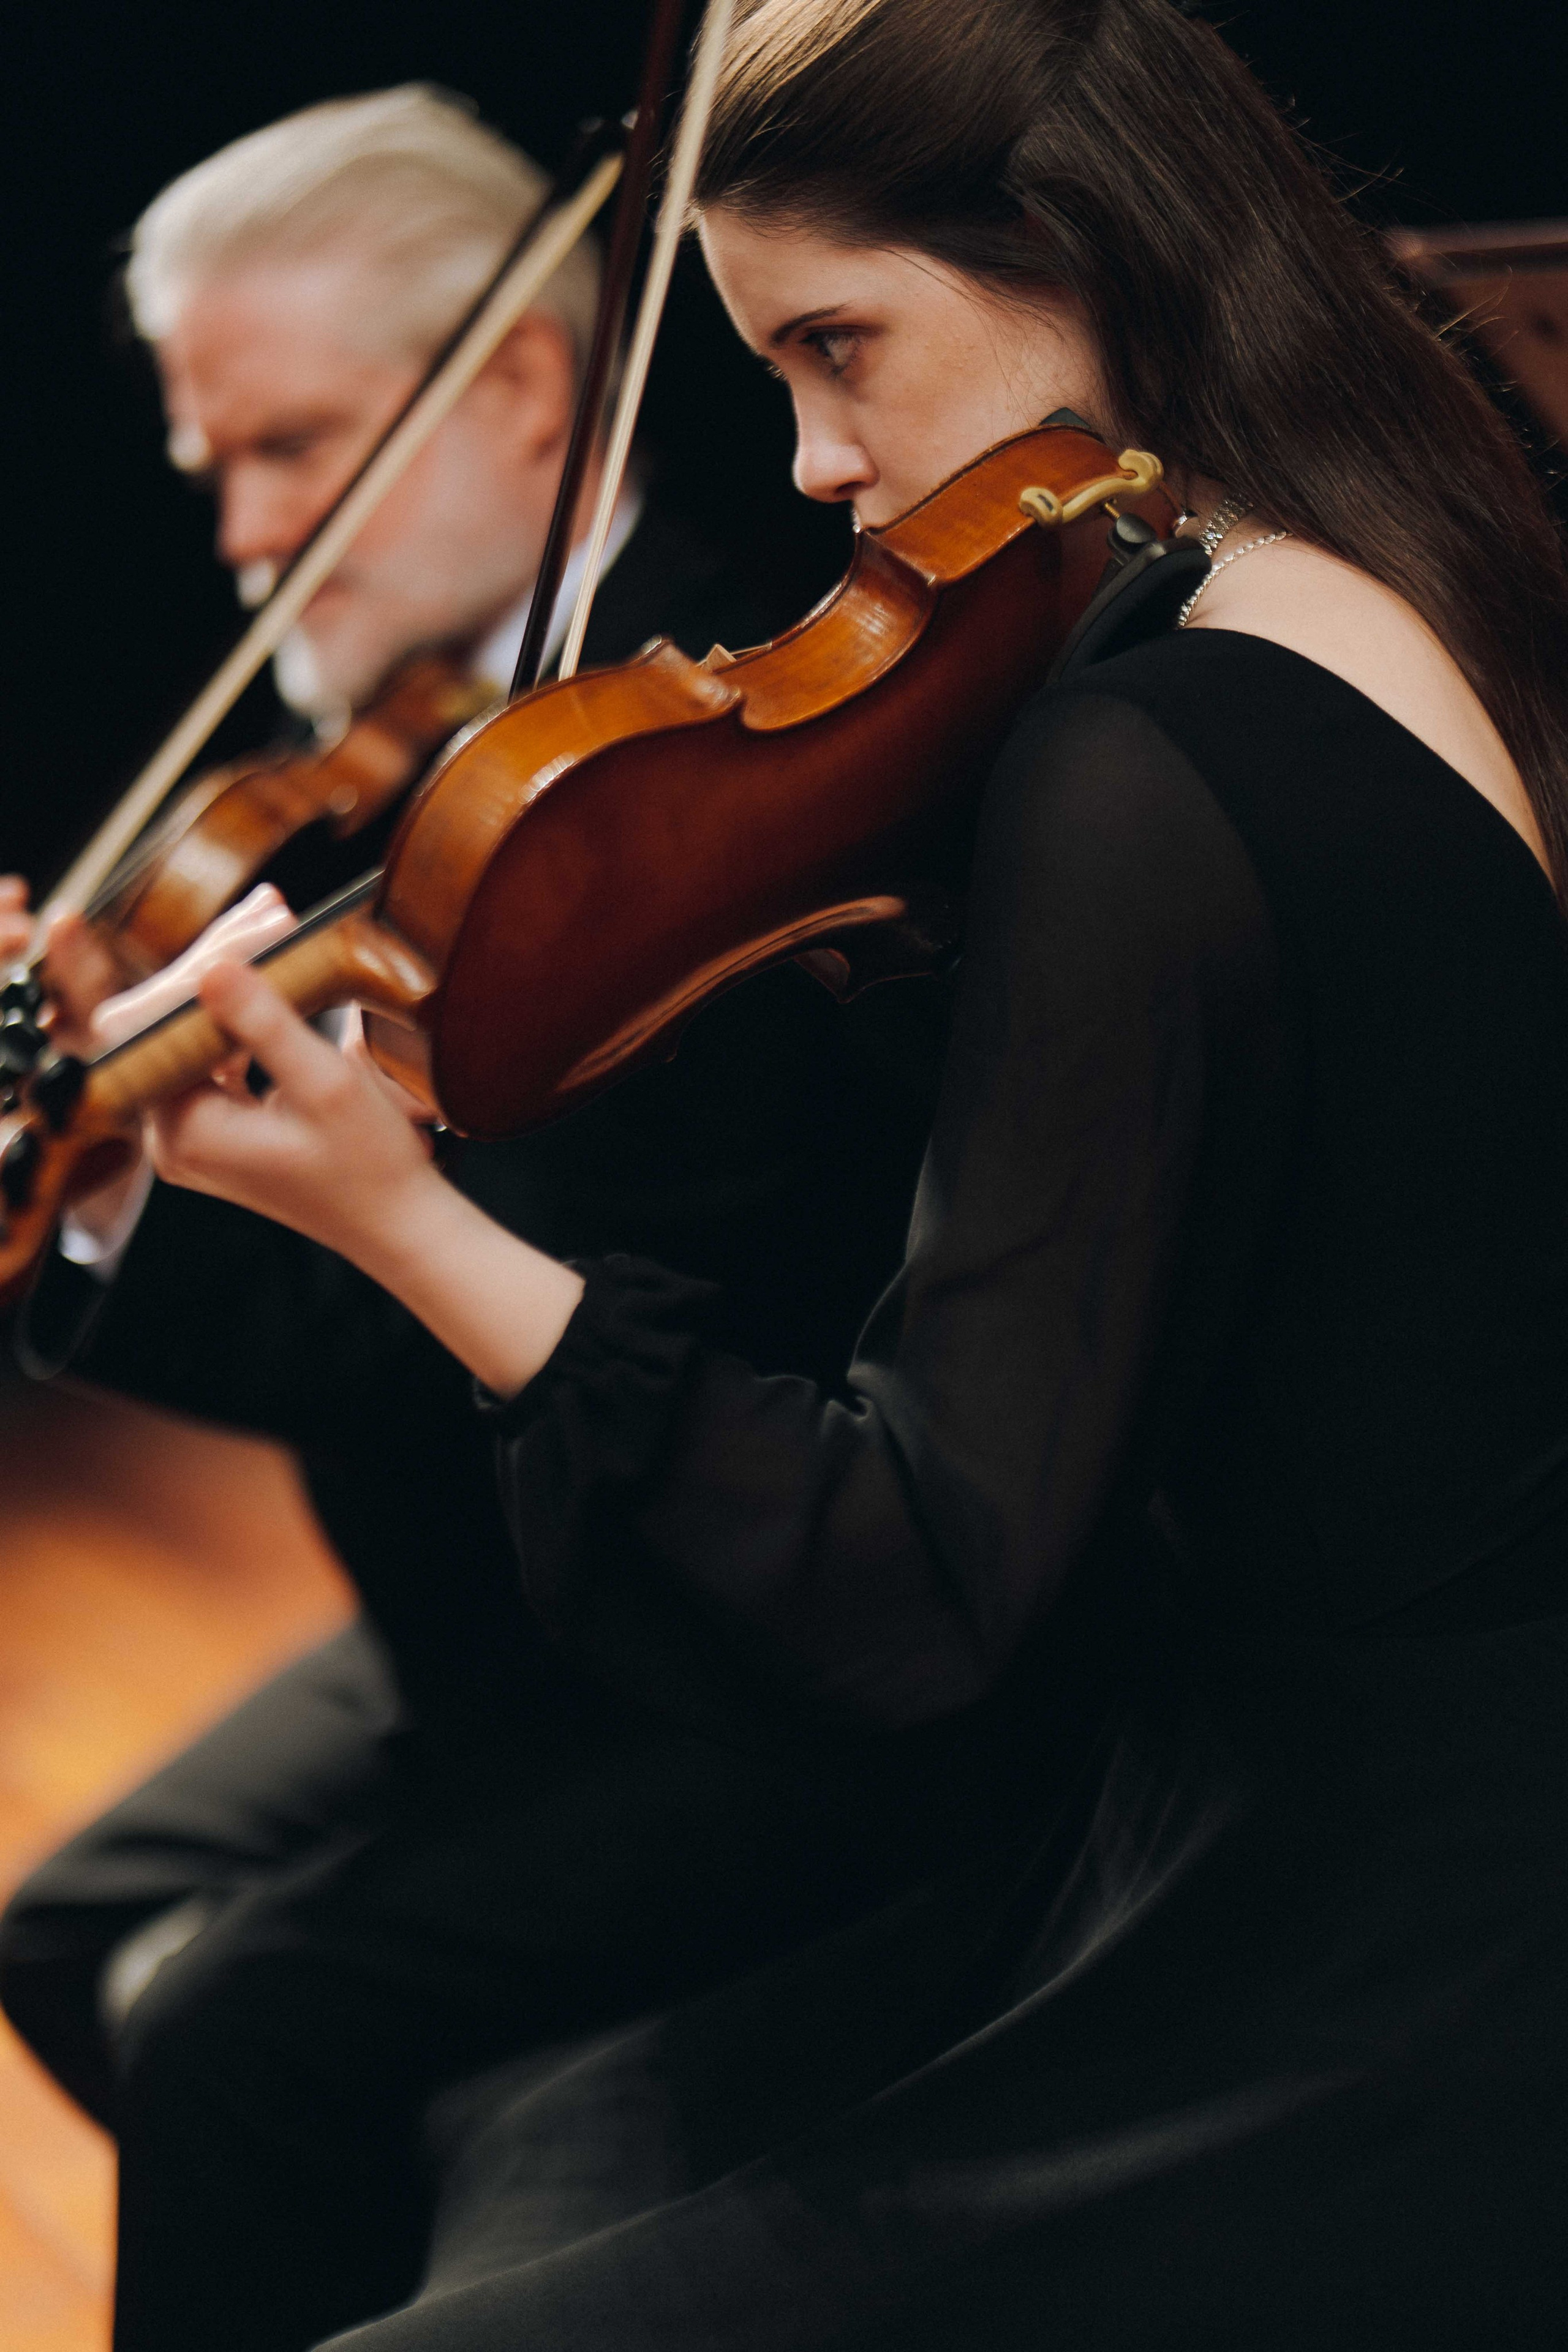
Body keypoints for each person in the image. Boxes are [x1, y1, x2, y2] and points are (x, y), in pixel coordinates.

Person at [59, 0, 1568, 2343]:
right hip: (1381, 1785)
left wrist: (402, 1212)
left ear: (1077, 244)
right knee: (462, 2125)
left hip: (1365, 1939)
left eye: (838, 349)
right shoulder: (1386, 554)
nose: (820, 462)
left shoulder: (1143, 757)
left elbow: (918, 1589)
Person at [0, 74, 967, 2343]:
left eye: (294, 448)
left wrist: (95, 1201)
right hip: (490, 1612)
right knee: (59, 1929)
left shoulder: (695, 802)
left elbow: (471, 1347)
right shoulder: (421, 757)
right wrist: (101, 1130)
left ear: (527, 384)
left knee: (242, 2037)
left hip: (698, 1644)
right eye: (211, 465)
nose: (245, 541)